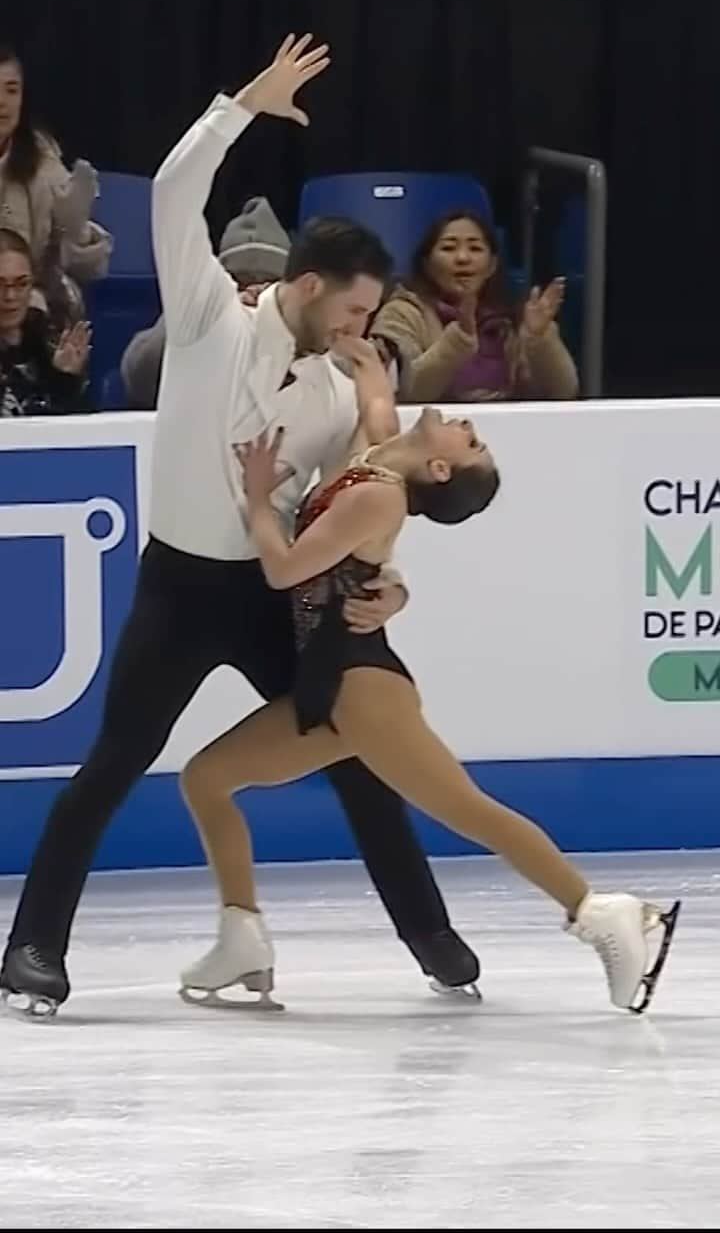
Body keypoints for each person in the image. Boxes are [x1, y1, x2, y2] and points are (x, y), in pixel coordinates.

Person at [0, 33, 480, 1019]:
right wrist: (242, 106)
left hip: (275, 591)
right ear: (305, 288)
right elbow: (178, 190)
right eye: (352, 310)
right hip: (179, 588)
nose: (362, 330)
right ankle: (32, 949)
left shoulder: (344, 390)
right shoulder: (210, 316)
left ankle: (432, 937)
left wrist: (393, 582)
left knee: (352, 748)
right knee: (112, 764)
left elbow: (369, 497)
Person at [178, 339, 679, 1016]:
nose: (470, 425)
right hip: (332, 684)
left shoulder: (378, 498)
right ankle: (242, 936)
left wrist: (260, 498)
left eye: (473, 443)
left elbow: (284, 570)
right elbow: (379, 403)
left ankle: (604, 914)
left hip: (363, 685)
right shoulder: (380, 453)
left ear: (439, 467)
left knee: (471, 811)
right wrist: (359, 350)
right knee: (205, 779)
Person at [372, 210, 578, 403]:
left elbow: (563, 391)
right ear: (426, 264)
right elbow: (408, 392)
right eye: (448, 248)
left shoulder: (509, 318)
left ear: (491, 266)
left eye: (476, 248)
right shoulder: (401, 314)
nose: (463, 258)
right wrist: (458, 341)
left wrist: (540, 340)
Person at [120, 195, 291, 409]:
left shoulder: (302, 320)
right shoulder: (204, 306)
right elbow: (139, 377)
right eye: (241, 281)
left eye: (266, 283)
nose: (252, 291)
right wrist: (215, 312)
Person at [0, 45, 111, 331]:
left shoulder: (45, 167)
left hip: (28, 312)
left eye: (12, 90)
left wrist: (78, 232)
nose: (3, 102)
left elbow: (90, 272)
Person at [0, 227, 90, 417]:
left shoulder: (45, 346)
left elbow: (81, 434)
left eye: (22, 283)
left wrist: (65, 379)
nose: (10, 295)